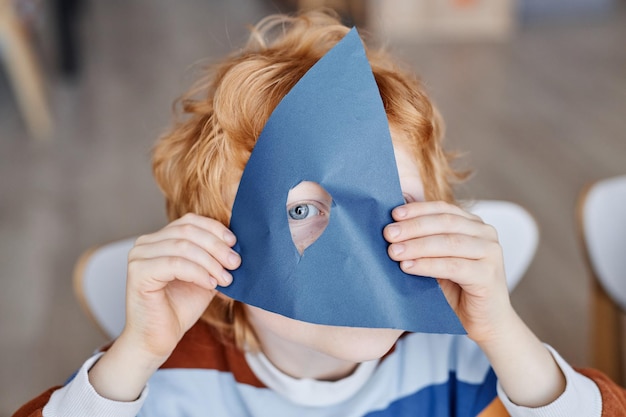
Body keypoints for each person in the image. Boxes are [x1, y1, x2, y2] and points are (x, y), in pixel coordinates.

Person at [13, 10, 626, 417]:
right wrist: (133, 357)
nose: (358, 246)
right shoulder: (170, 378)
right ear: (218, 247)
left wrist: (503, 335)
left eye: (397, 201)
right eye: (303, 208)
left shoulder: (468, 364)